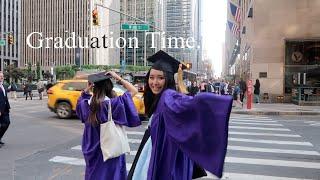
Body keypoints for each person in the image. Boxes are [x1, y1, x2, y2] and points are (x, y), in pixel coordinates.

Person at [128, 50, 233, 180]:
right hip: (159, 150)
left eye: (160, 78)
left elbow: (190, 104)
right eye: (152, 77)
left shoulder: (167, 96)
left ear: (168, 79)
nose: (154, 82)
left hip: (167, 156)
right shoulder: (160, 97)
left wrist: (219, 104)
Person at [76, 71, 141, 180]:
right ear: (109, 87)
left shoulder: (85, 105)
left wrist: (87, 90)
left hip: (92, 153)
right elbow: (134, 91)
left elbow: (81, 99)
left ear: (93, 87)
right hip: (110, 150)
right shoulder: (112, 104)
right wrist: (118, 78)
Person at [0, 71, 11, 148]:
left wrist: (8, 107)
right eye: (0, 76)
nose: (1, 77)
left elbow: (5, 97)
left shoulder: (3, 86)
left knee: (7, 123)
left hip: (5, 109)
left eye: (2, 76)